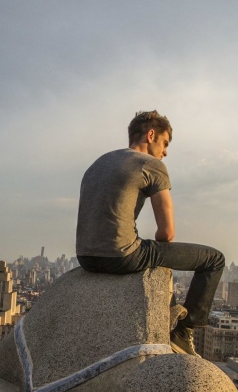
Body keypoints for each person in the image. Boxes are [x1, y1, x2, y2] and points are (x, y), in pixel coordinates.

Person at [76, 109, 225, 355]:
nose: (165, 152)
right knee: (214, 259)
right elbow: (166, 234)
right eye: (165, 143)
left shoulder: (99, 162)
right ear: (151, 135)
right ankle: (183, 331)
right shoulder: (151, 164)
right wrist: (156, 255)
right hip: (121, 256)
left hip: (85, 257)